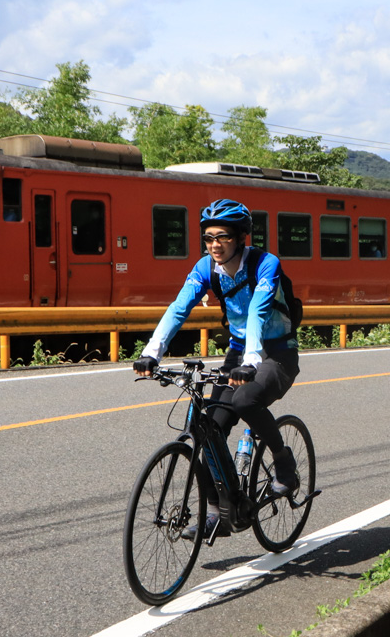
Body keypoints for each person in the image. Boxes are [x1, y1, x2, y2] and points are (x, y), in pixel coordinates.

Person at [133, 198, 300, 540]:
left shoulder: (265, 264)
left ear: (241, 237)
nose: (214, 245)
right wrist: (152, 353)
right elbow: (179, 307)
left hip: (277, 353)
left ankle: (284, 462)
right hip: (239, 353)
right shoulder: (205, 268)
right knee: (205, 432)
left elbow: (258, 310)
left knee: (244, 401)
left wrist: (251, 363)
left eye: (222, 237)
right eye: (208, 238)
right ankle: (217, 514)